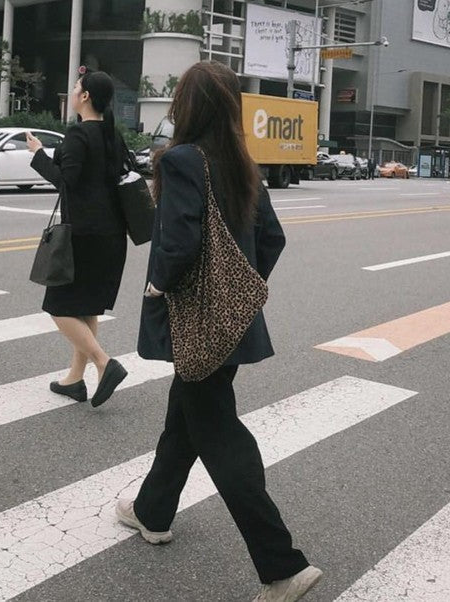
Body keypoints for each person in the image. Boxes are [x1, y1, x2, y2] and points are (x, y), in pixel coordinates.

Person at [116, 61, 321, 602]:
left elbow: (178, 244)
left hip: (194, 320)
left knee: (218, 432)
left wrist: (159, 286)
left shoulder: (184, 161)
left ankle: (283, 567)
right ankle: (151, 511)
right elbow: (271, 239)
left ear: (187, 107)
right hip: (228, 323)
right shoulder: (241, 164)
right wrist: (236, 292)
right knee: (186, 416)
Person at [27, 70, 129, 408]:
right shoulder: (113, 136)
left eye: (75, 87)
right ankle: (74, 379)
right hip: (113, 236)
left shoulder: (78, 135)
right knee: (86, 308)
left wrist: (39, 154)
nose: (72, 91)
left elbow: (65, 182)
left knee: (58, 307)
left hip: (83, 236)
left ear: (85, 97)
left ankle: (104, 362)